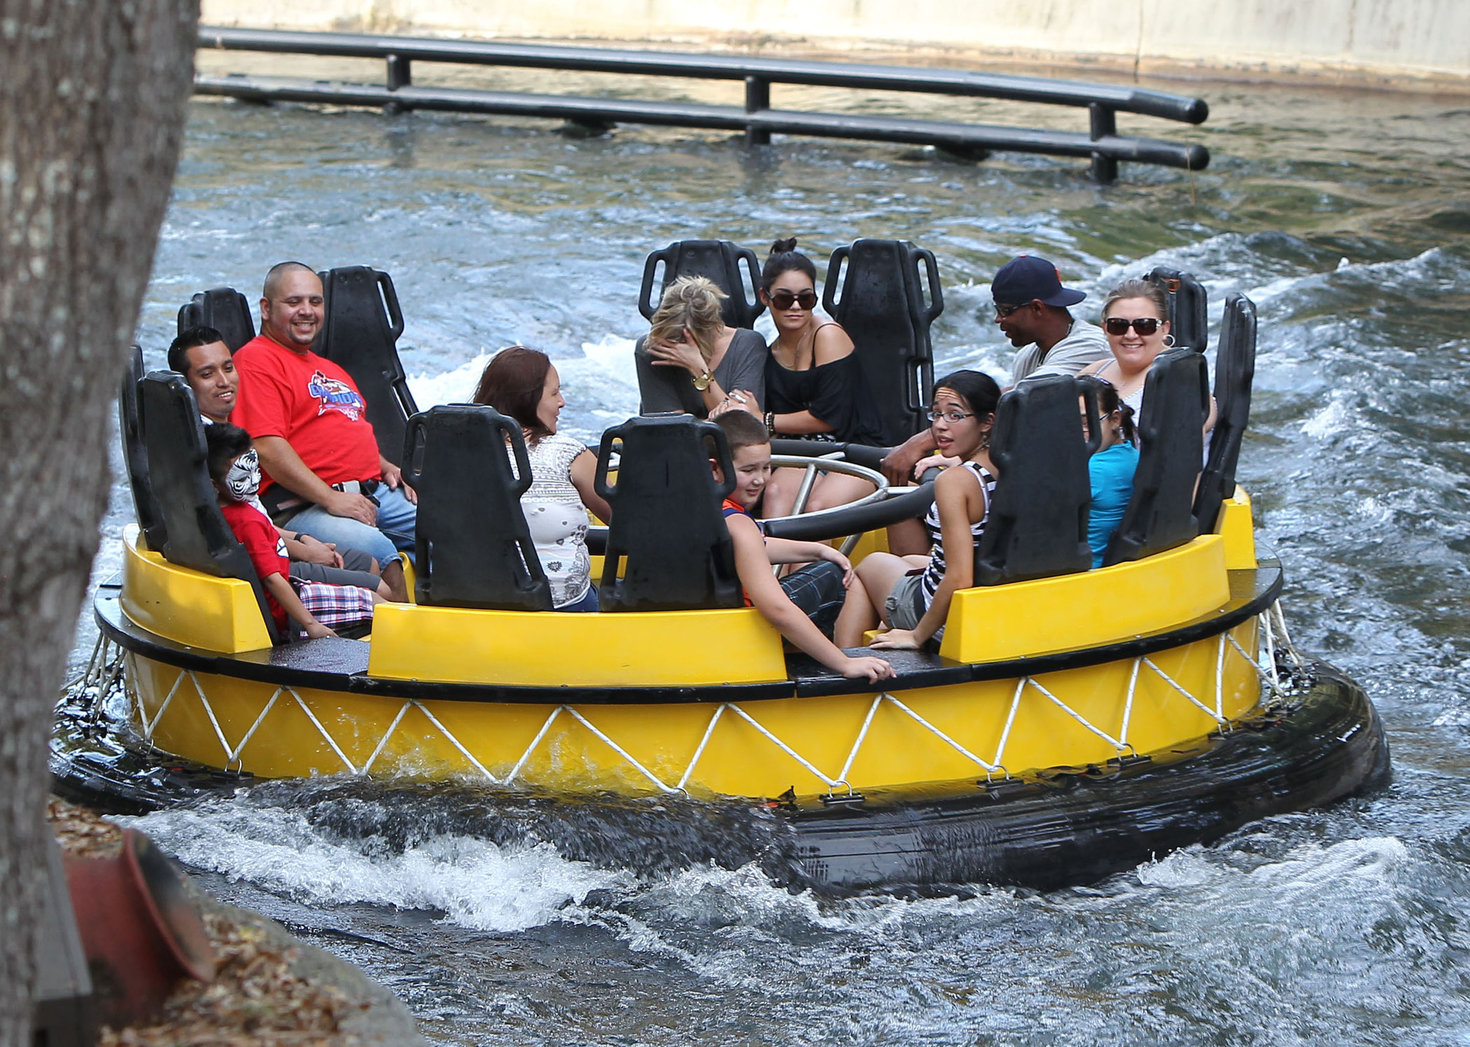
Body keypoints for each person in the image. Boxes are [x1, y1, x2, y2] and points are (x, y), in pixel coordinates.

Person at [230, 262, 415, 602]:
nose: (307, 311)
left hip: (372, 492)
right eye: (294, 302)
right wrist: (332, 499)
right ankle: (412, 642)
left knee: (448, 526)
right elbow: (267, 448)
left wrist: (388, 467)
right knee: (378, 549)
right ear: (267, 308)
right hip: (304, 505)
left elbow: (344, 427)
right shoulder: (256, 361)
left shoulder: (328, 368)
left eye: (315, 302)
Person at [167, 325, 394, 601]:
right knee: (378, 590)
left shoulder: (228, 433)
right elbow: (243, 532)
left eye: (228, 368)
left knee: (367, 565)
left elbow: (256, 518)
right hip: (262, 570)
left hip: (277, 542)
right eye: (207, 374)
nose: (224, 381)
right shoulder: (212, 452)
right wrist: (304, 549)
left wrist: (299, 539)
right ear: (185, 386)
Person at [880, 254, 1107, 485]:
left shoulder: (1088, 346)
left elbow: (1015, 402)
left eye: (1005, 310)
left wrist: (920, 442)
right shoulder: (1027, 355)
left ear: (1037, 308)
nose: (998, 319)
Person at [712, 412, 894, 683]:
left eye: (765, 467)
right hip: (748, 629)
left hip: (712, 625)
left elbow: (751, 547)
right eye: (748, 470)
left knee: (826, 560)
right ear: (716, 469)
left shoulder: (702, 508)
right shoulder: (738, 523)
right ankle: (836, 659)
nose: (760, 480)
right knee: (837, 575)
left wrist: (816, 549)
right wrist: (843, 663)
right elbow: (776, 609)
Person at [836, 371, 1000, 652]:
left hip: (942, 616)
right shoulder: (1007, 466)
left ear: (987, 422)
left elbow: (960, 577)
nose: (940, 426)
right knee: (910, 560)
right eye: (936, 414)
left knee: (866, 567)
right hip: (986, 600)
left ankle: (846, 667)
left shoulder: (955, 482)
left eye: (955, 416)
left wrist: (917, 635)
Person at [205, 423, 379, 640]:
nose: (254, 482)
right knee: (379, 606)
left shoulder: (239, 507)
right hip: (288, 605)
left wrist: (305, 542)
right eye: (241, 479)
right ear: (214, 485)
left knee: (377, 594)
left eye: (256, 470)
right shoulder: (246, 521)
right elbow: (272, 579)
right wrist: (311, 624)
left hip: (292, 582)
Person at [472, 347, 611, 612]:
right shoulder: (568, 453)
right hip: (562, 605)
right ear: (529, 399)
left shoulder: (461, 453)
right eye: (554, 393)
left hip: (477, 601)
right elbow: (625, 522)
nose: (562, 402)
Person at [759, 237, 883, 517]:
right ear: (765, 297)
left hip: (856, 449)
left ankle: (813, 563)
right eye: (783, 298)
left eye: (805, 298)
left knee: (817, 508)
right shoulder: (769, 352)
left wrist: (765, 420)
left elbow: (830, 417)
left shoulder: (826, 335)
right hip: (804, 452)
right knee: (776, 494)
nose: (795, 306)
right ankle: (772, 562)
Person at [636, 276, 767, 419]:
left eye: (685, 338)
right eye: (672, 339)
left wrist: (699, 370)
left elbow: (741, 423)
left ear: (714, 327)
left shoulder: (748, 344)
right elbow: (669, 429)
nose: (678, 346)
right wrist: (714, 421)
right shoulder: (652, 348)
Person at [1078, 376, 1140, 568]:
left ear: (1115, 420)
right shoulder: (1132, 453)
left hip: (1084, 574)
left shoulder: (1093, 469)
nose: (1076, 432)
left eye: (1086, 423)